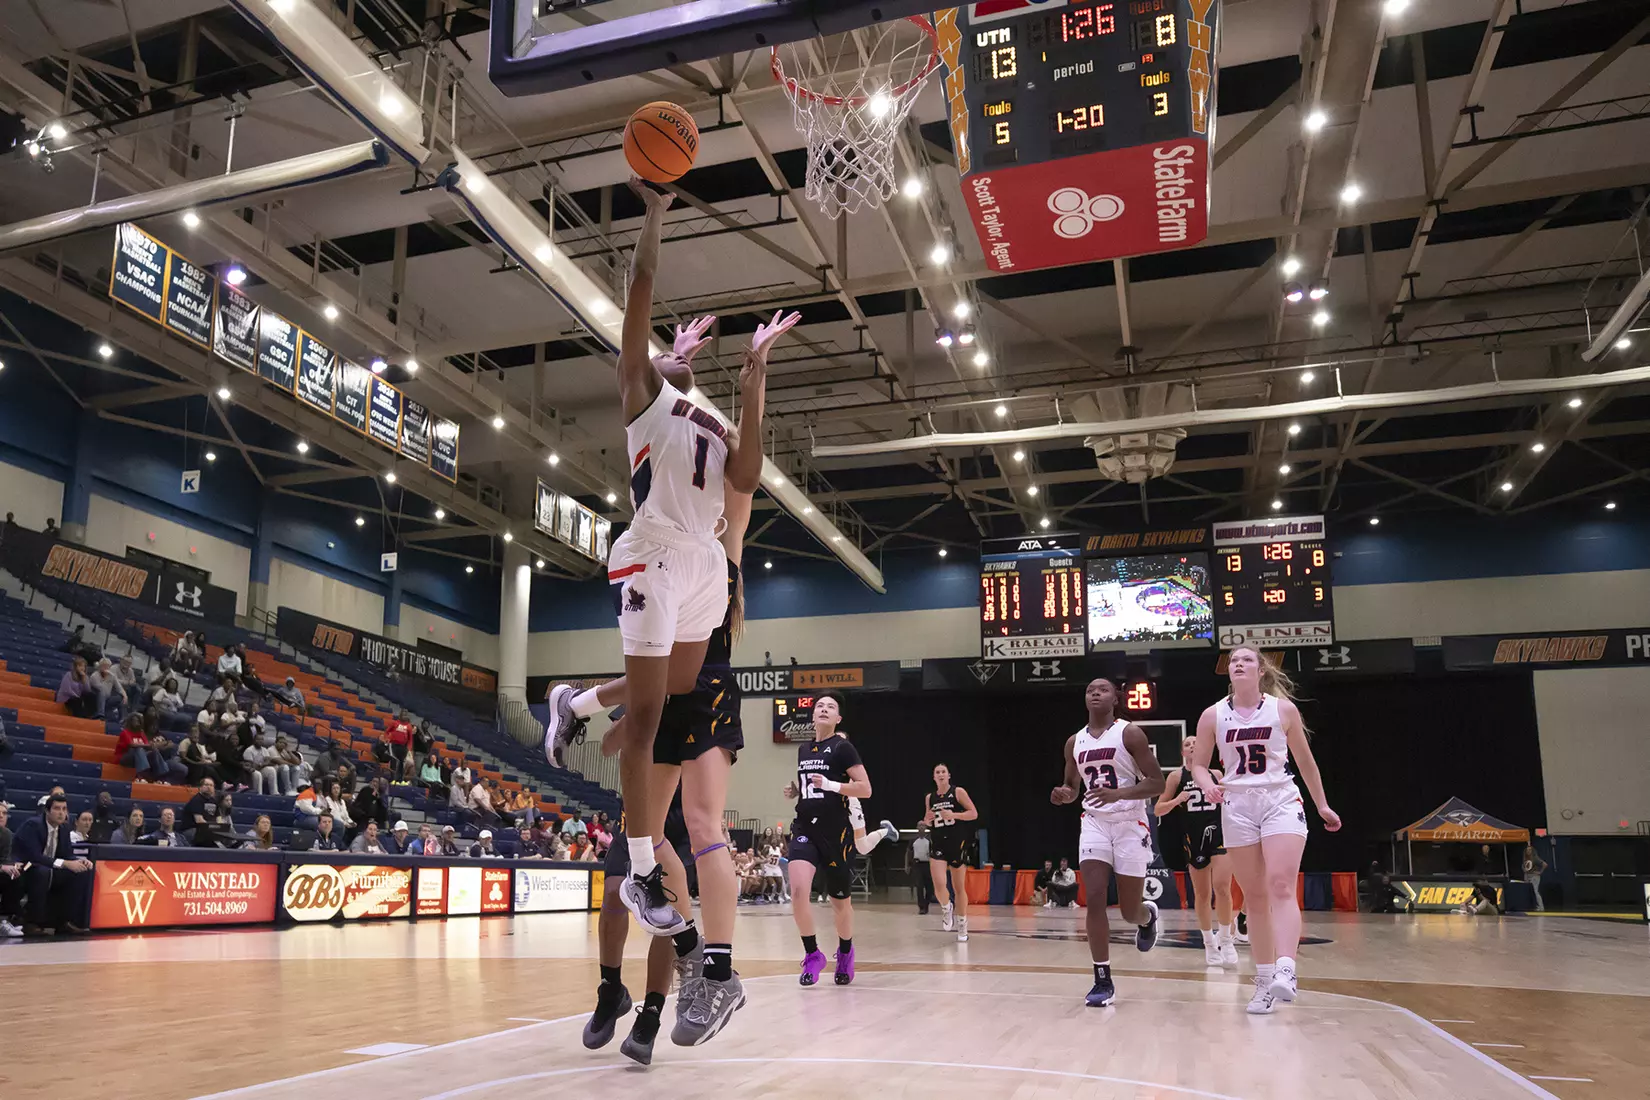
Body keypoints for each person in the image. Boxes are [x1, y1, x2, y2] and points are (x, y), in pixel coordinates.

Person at [542, 185, 793, 938]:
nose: (662, 352)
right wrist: (652, 216)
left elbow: (747, 478)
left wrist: (752, 382)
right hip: (652, 555)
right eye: (658, 355)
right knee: (649, 715)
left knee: (675, 688)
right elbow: (640, 302)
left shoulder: (701, 416)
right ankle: (644, 868)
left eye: (672, 358)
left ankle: (577, 706)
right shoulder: (650, 399)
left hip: (702, 569)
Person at [1191, 646, 1340, 1015]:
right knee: (1254, 897)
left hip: (1279, 798)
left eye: (1247, 660)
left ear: (1261, 671)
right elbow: (1197, 765)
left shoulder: (1282, 710)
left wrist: (1322, 804)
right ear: (1229, 672)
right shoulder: (1212, 715)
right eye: (1234, 661)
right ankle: (1263, 981)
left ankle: (1287, 969)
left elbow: (1306, 761)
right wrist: (1207, 781)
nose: (1239, 664)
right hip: (1237, 804)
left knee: (1280, 884)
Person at [1050, 677, 1167, 1008]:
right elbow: (1072, 786)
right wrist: (1064, 795)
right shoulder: (1075, 741)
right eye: (1089, 690)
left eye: (1102, 689)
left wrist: (1119, 793)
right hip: (1095, 823)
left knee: (1130, 911)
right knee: (1096, 895)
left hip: (1130, 822)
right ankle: (1102, 979)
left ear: (1116, 698)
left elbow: (1156, 783)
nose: (1095, 693)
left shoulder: (1129, 733)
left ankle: (1147, 917)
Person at [782, 691, 875, 988]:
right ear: (812, 715)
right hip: (805, 828)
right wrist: (797, 791)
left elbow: (865, 789)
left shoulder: (843, 748)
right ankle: (812, 954)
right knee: (798, 891)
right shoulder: (804, 749)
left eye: (830, 707)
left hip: (836, 834)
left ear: (838, 718)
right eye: (819, 705)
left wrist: (833, 785)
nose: (823, 709)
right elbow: (813, 786)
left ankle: (845, 952)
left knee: (840, 903)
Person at [1157, 734, 1238, 967]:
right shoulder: (1176, 776)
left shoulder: (1217, 775)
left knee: (1222, 887)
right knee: (1202, 894)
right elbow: (1159, 809)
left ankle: (1226, 939)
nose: (1192, 745)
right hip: (1193, 839)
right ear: (1183, 752)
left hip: (1219, 835)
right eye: (1187, 744)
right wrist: (1176, 801)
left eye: (1195, 742)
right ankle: (1208, 943)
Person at [13, 795, 95, 934]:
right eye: (57, 808)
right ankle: (32, 922)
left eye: (64, 809)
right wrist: (65, 863)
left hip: (49, 866)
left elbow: (66, 854)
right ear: (47, 811)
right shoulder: (33, 825)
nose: (61, 812)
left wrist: (78, 860)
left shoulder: (64, 828)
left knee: (80, 872)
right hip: (24, 866)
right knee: (42, 872)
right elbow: (34, 856)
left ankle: (63, 922)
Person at [923, 763, 979, 941]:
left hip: (957, 843)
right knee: (939, 884)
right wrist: (928, 820)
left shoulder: (958, 792)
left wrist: (954, 815)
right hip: (938, 843)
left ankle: (962, 924)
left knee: (958, 887)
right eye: (937, 772)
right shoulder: (930, 797)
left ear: (948, 775)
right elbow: (927, 820)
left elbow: (973, 813)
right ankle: (947, 908)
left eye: (943, 772)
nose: (940, 774)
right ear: (934, 777)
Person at [911, 825, 934, 913]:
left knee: (929, 887)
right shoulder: (913, 840)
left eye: (922, 826)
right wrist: (907, 865)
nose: (921, 828)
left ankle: (926, 904)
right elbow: (908, 851)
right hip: (917, 864)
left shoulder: (929, 840)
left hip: (927, 864)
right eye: (919, 826)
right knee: (919, 885)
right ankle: (921, 907)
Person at [1522, 844, 1548, 912]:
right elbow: (1524, 867)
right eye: (1527, 850)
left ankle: (1541, 907)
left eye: (1530, 850)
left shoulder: (1535, 858)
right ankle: (1532, 906)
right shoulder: (1525, 859)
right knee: (1528, 892)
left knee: (1535, 891)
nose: (1528, 851)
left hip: (1534, 876)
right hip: (1527, 875)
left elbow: (1545, 864)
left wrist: (1540, 872)